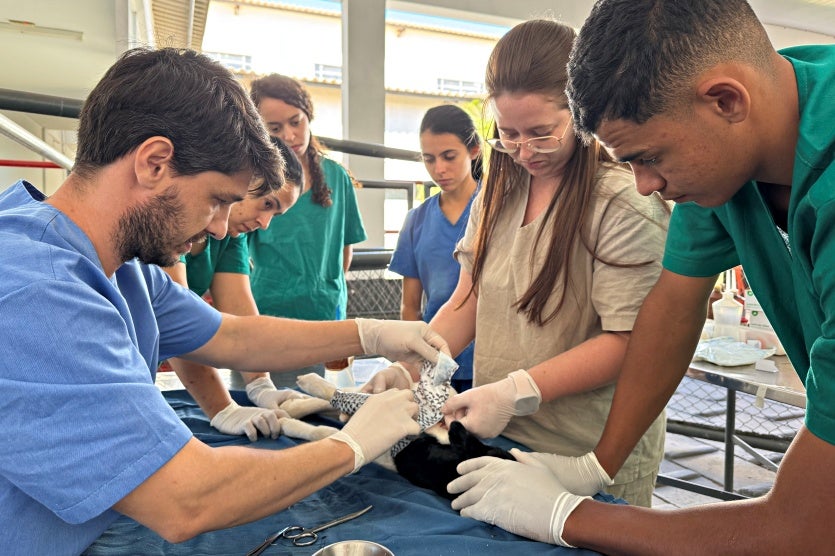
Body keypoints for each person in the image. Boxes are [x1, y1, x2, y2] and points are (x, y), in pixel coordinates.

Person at [0, 47, 449, 554]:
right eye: (217, 200)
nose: (219, 227)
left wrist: (372, 333)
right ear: (153, 163)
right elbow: (186, 499)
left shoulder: (118, 268)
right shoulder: (33, 292)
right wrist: (351, 445)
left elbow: (230, 334)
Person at [445, 1, 835, 552]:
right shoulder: (732, 147)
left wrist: (565, 516)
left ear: (727, 100)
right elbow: (671, 309)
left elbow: (806, 526)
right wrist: (597, 465)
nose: (646, 185)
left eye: (649, 158)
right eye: (627, 162)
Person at [365, 19, 671, 507]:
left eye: (542, 133)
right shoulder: (498, 192)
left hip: (586, 450)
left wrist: (516, 390)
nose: (524, 151)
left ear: (581, 114)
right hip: (501, 439)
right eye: (508, 134)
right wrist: (418, 367)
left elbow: (632, 340)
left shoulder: (622, 202)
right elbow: (467, 298)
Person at [160, 136, 304, 440]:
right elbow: (176, 322)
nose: (265, 223)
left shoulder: (230, 235)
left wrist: (261, 385)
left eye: (275, 214)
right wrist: (221, 408)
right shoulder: (169, 217)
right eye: (266, 204)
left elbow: (242, 321)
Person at [247, 73, 367, 387]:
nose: (289, 134)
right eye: (274, 128)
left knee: (323, 410)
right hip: (267, 319)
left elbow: (345, 251)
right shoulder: (252, 181)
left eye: (296, 121)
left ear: (308, 116)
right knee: (264, 410)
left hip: (325, 319)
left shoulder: (337, 177)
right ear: (259, 130)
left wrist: (328, 294)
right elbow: (236, 250)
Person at [388, 104, 481, 392]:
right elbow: (410, 307)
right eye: (429, 159)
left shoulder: (499, 207)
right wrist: (409, 366)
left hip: (491, 363)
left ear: (474, 149)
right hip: (435, 360)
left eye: (449, 156)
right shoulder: (417, 220)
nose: (439, 169)